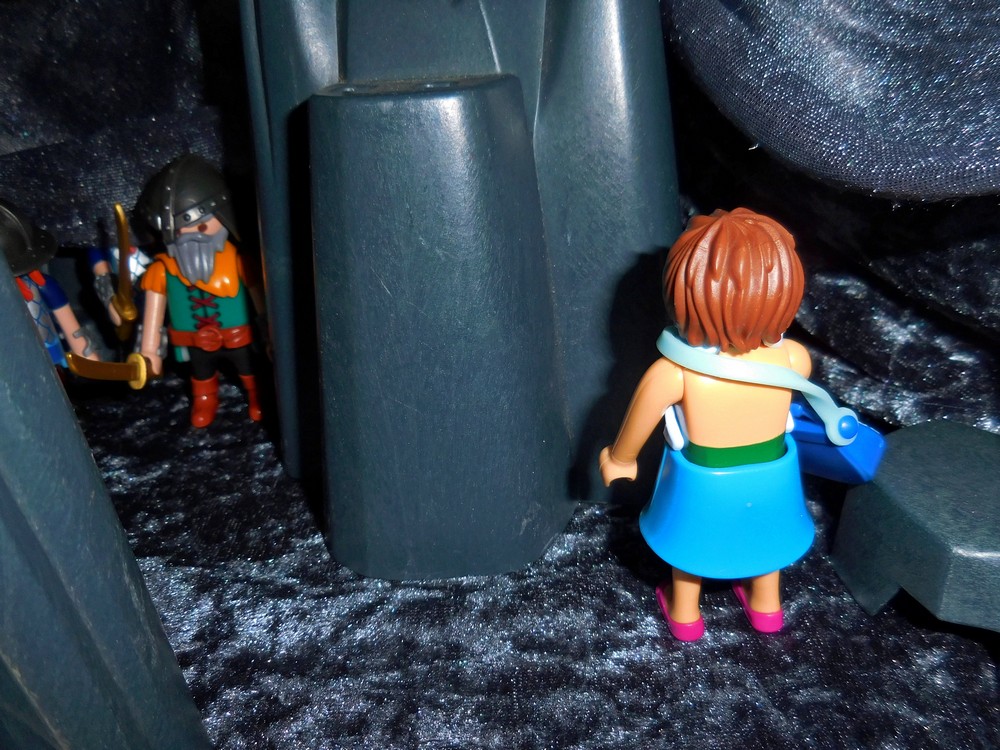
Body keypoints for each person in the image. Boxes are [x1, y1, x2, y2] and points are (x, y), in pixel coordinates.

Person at [600, 208, 813, 641]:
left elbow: (638, 421)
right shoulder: (794, 358)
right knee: (767, 535)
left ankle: (685, 614)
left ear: (683, 296)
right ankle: (767, 607)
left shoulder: (673, 372)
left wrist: (620, 459)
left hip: (702, 478)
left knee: (691, 541)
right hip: (772, 475)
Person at [136, 154, 265, 428]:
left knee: (249, 370)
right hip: (194, 342)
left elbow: (262, 306)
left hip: (238, 338)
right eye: (179, 231)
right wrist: (149, 351)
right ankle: (205, 400)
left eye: (201, 225)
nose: (190, 236)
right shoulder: (163, 269)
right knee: (201, 373)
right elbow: (152, 318)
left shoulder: (239, 262)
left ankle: (257, 395)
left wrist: (270, 336)